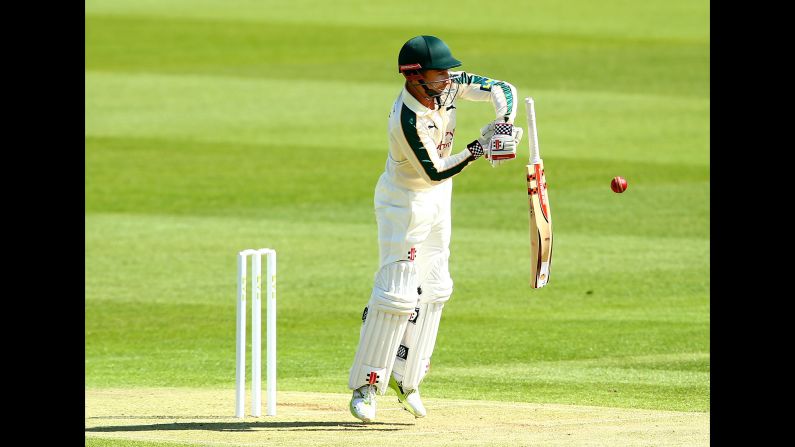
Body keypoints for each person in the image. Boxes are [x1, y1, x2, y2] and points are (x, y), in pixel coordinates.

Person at [348, 35, 523, 423]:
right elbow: (433, 170)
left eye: (448, 72)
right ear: (414, 78)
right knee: (397, 292)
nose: (448, 80)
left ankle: (408, 380)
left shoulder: (446, 86)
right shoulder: (406, 119)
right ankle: (366, 385)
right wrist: (481, 146)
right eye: (438, 74)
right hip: (404, 202)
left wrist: (504, 124)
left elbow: (502, 89)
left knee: (437, 286)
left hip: (439, 199)